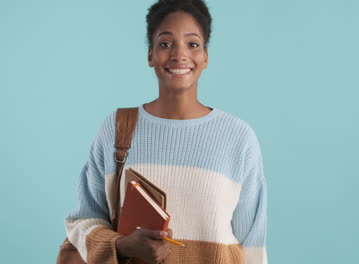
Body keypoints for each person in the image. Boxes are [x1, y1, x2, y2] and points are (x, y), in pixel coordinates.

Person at [64, 0, 267, 263]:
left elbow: (253, 247)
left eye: (192, 44)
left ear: (205, 56)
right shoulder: (116, 129)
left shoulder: (239, 138)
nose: (179, 55)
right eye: (165, 43)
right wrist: (123, 246)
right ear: (150, 55)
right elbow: (82, 222)